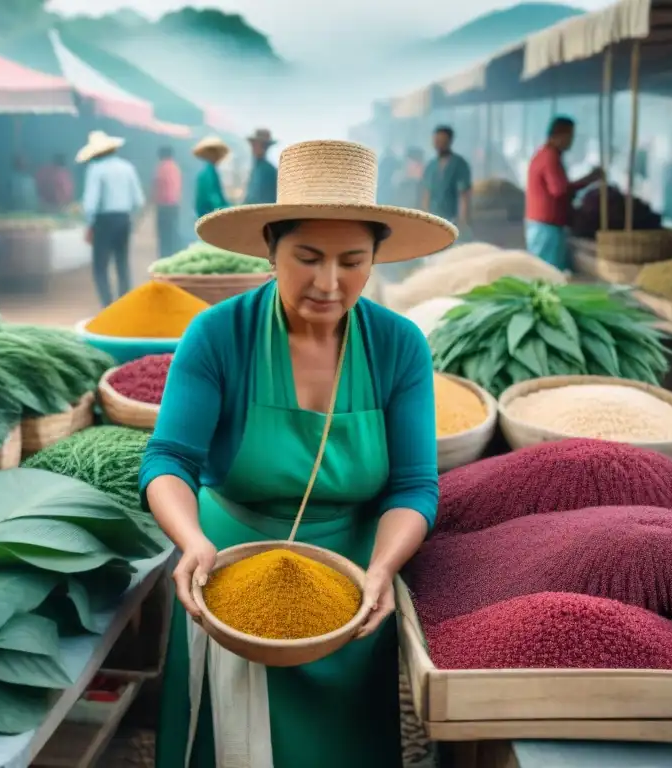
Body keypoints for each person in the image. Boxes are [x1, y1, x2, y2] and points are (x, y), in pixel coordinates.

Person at [142, 139, 456, 768]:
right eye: (307, 257)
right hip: (229, 572)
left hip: (349, 589)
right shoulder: (219, 334)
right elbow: (168, 460)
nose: (328, 282)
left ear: (375, 261)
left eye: (353, 261)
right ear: (271, 249)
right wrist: (193, 541)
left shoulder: (398, 346)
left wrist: (381, 570)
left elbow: (414, 486)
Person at [525, 116, 603, 270]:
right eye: (570, 136)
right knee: (548, 276)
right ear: (559, 135)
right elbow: (559, 190)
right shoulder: (550, 157)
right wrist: (589, 179)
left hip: (541, 225)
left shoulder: (544, 154)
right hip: (546, 228)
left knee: (544, 274)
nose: (571, 141)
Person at [77, 130, 145, 307]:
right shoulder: (127, 167)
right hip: (124, 218)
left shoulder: (96, 169)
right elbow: (139, 200)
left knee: (100, 266)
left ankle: (107, 305)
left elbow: (91, 203)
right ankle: (125, 304)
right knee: (122, 263)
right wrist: (133, 219)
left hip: (104, 220)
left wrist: (89, 224)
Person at [421, 125, 472, 228]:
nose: (438, 144)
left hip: (452, 219)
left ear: (449, 141)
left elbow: (464, 195)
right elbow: (427, 193)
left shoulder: (459, 164)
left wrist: (463, 221)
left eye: (441, 140)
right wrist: (424, 219)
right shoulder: (431, 166)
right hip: (432, 220)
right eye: (436, 140)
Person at [152, 146, 182, 258]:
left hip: (164, 205)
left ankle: (164, 256)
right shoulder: (176, 167)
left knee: (163, 234)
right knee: (173, 231)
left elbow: (157, 186)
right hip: (175, 204)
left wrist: (153, 201)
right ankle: (174, 254)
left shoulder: (161, 167)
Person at [192, 135, 230, 220]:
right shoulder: (206, 173)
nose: (215, 155)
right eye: (213, 152)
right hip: (209, 215)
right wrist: (222, 210)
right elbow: (210, 197)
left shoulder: (212, 171)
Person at [243, 128, 278, 205]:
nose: (253, 147)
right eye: (253, 144)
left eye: (257, 145)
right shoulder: (255, 168)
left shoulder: (269, 170)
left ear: (265, 147)